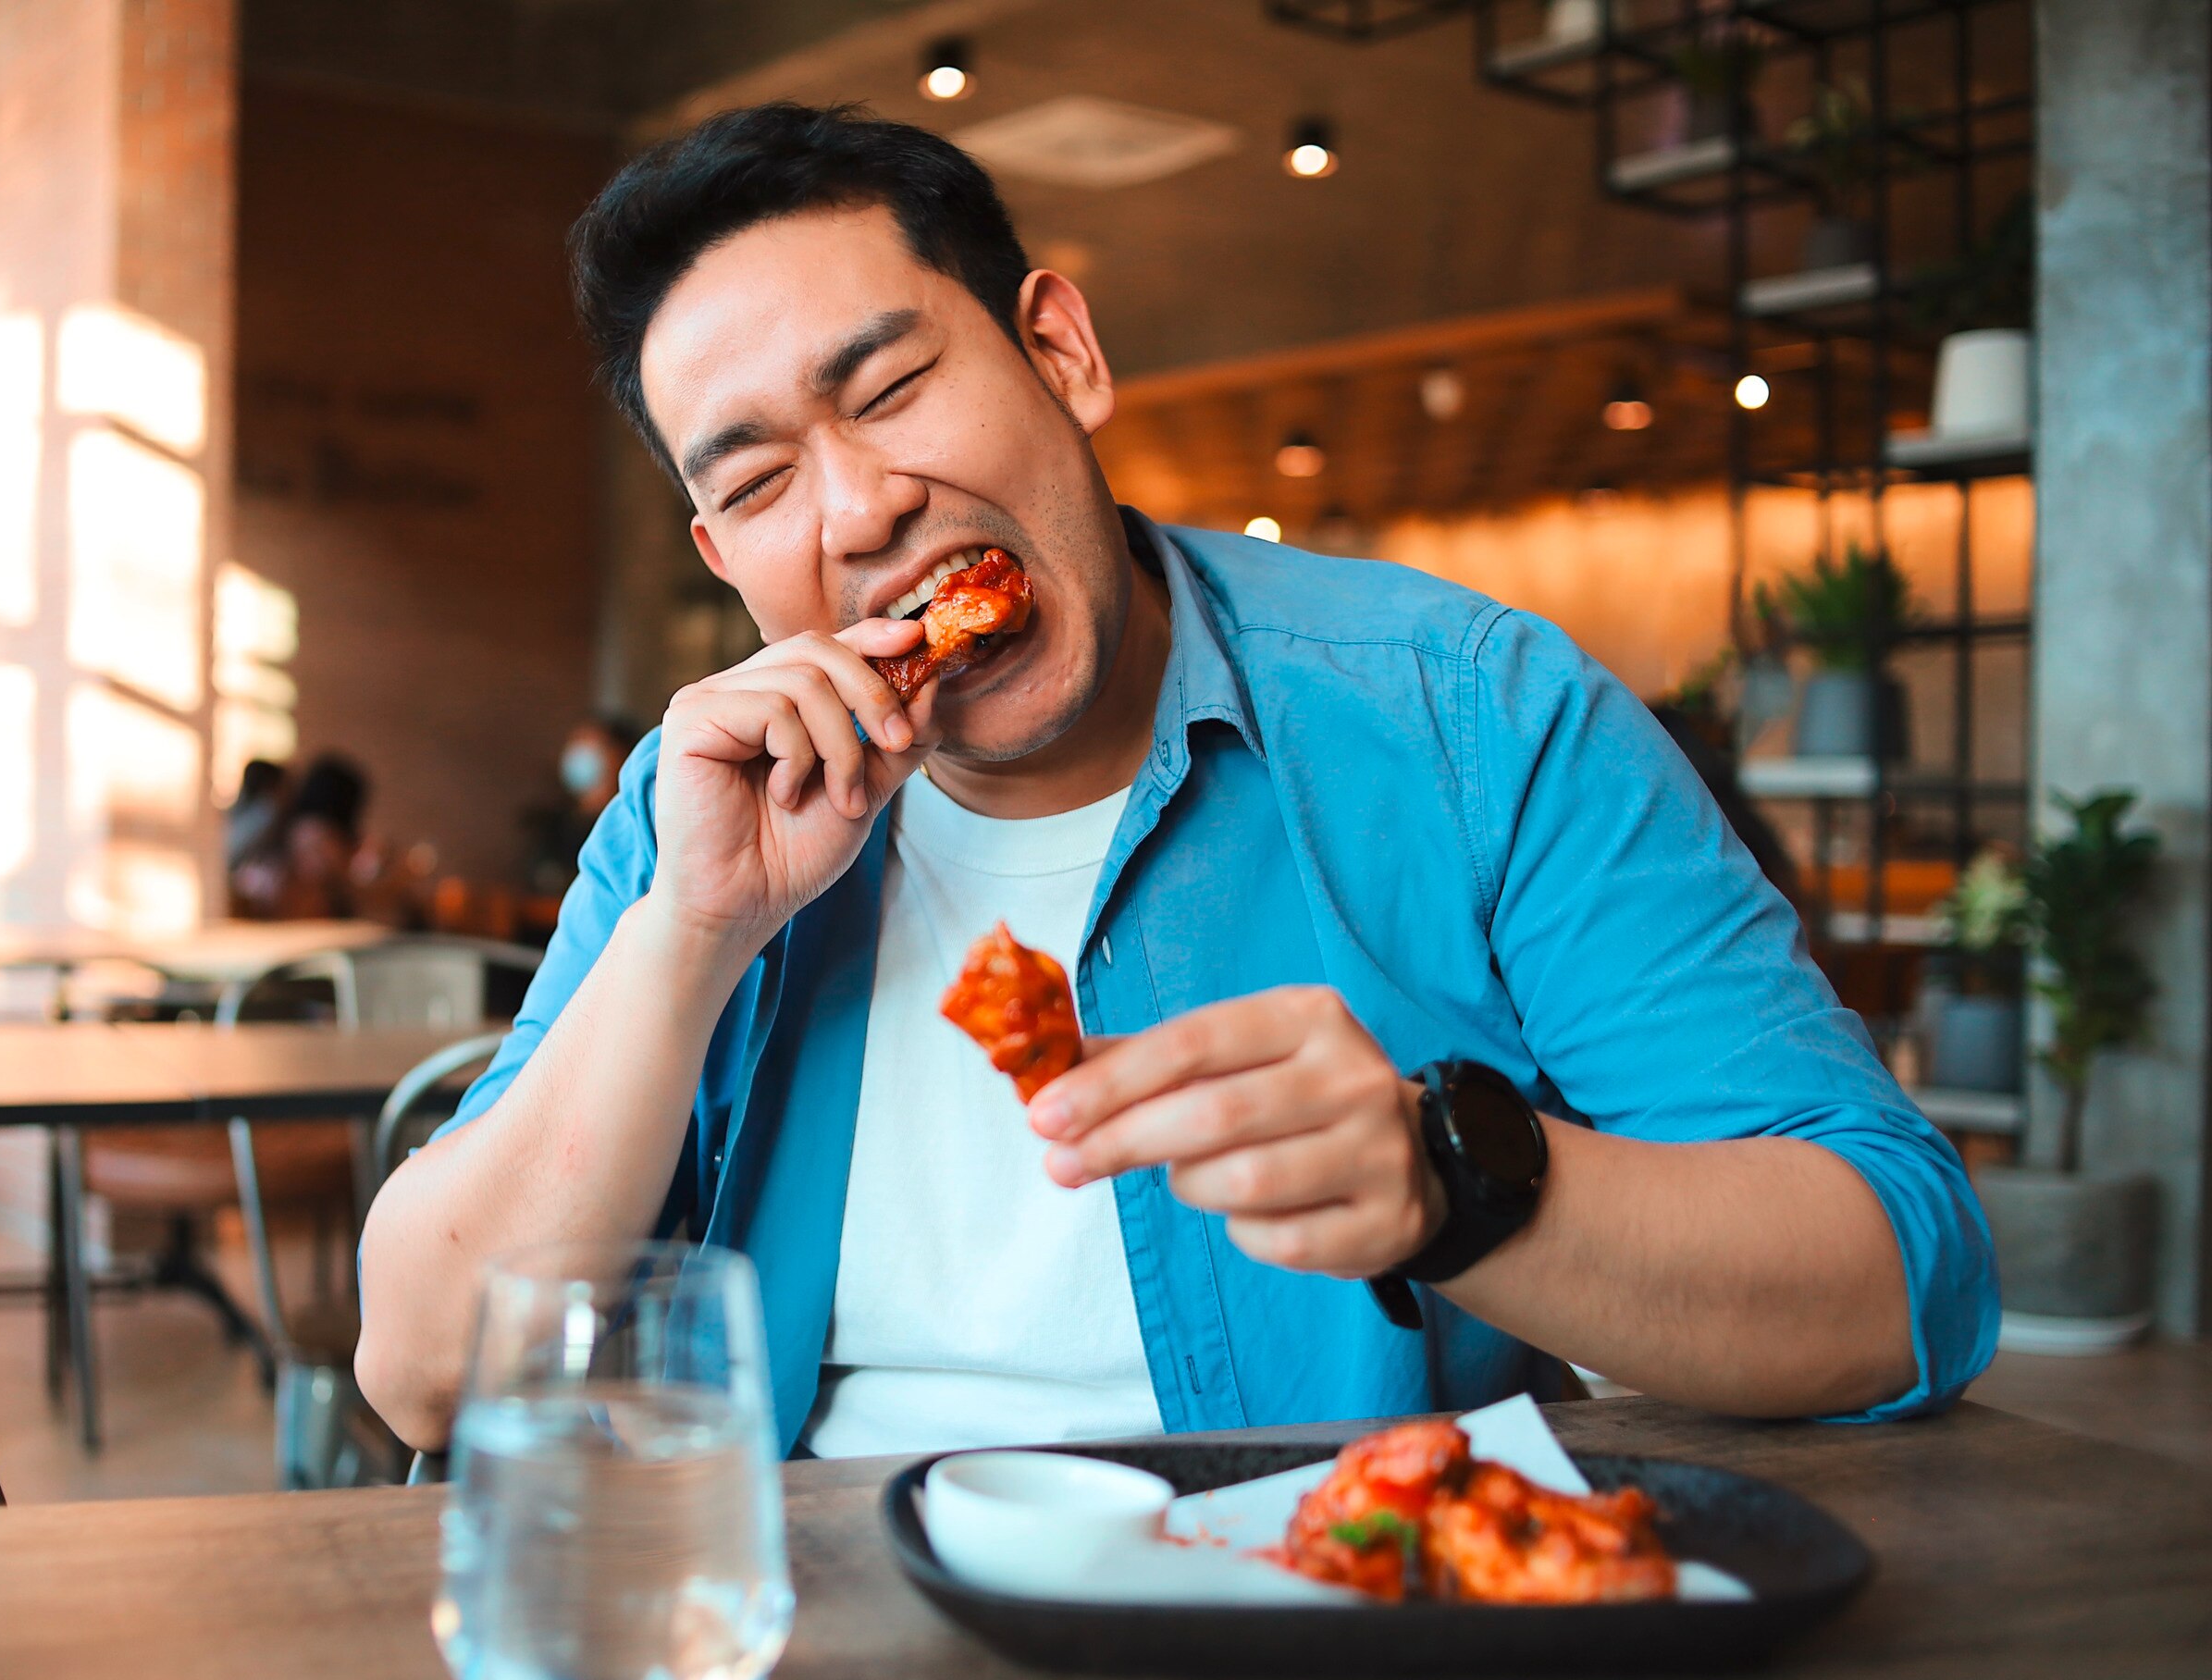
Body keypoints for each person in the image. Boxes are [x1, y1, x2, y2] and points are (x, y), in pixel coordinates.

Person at [356, 104, 1996, 1459]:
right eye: (765, 479)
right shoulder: (695, 806)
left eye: (893, 387)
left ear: (1059, 352)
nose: (857, 512)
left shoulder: (1471, 716)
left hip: (1333, 1635)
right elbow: (426, 1371)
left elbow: (1895, 1281)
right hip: (812, 1650)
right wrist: (691, 934)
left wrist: (1461, 1188)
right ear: (726, 558)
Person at [523, 715, 645, 894]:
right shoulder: (548, 828)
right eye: (576, 745)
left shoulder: (638, 824)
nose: (581, 757)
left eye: (596, 749)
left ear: (623, 755)